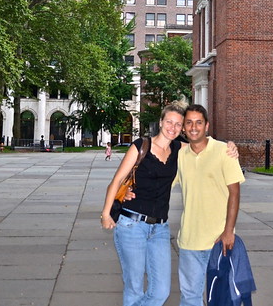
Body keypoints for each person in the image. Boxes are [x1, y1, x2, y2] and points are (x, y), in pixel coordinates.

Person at [101, 103, 185, 306]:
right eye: (169, 122)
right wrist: (106, 213)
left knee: (161, 291)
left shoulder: (178, 148)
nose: (172, 128)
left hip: (160, 229)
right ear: (161, 122)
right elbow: (117, 181)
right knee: (134, 288)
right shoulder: (140, 146)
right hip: (132, 225)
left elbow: (205, 145)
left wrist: (229, 146)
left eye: (178, 124)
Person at [176, 104, 245, 306]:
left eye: (198, 122)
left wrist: (229, 231)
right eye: (189, 123)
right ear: (183, 128)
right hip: (189, 241)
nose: (194, 127)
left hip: (219, 240)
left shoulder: (224, 151)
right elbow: (158, 182)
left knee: (223, 299)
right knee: (190, 298)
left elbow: (235, 192)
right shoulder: (180, 156)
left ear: (207, 126)